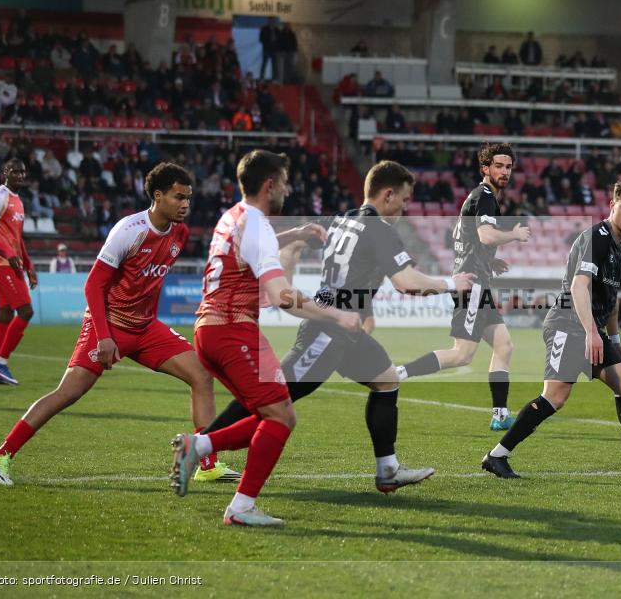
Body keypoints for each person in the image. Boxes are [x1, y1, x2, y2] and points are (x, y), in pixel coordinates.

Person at [199, 160, 474, 498]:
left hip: (347, 331)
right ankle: (199, 448)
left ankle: (388, 470)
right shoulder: (379, 229)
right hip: (328, 330)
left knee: (387, 379)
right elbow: (406, 283)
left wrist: (292, 257)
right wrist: (451, 283)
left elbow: (299, 245)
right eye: (404, 199)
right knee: (274, 397)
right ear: (388, 195)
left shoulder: (341, 219)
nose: (405, 208)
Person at [0, 163, 238, 487]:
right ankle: (1, 454)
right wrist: (104, 337)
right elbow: (93, 285)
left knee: (201, 374)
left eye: (188, 197)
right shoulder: (129, 230)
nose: (185, 204)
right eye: (179, 197)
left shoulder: (180, 233)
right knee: (68, 393)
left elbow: (149, 283)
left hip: (145, 329)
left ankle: (207, 464)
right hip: (109, 325)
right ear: (158, 195)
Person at [169, 150, 362, 526]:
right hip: (233, 330)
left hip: (208, 330)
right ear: (270, 185)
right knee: (282, 416)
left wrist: (296, 234)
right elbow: (283, 297)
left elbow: (254, 242)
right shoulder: (256, 225)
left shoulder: (234, 215)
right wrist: (338, 315)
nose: (288, 191)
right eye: (285, 183)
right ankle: (241, 506)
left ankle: (201, 445)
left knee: (268, 413)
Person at [480, 178, 621, 480]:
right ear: (612, 205)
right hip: (567, 325)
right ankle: (496, 456)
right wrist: (592, 333)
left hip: (590, 328)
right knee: (554, 397)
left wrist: (614, 338)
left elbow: (611, 298)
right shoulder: (598, 237)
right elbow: (578, 286)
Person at [397, 143, 531, 430]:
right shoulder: (485, 196)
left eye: (508, 167)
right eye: (498, 166)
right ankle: (397, 374)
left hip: (478, 281)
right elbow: (486, 236)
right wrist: (514, 234)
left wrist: (490, 261)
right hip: (472, 285)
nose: (504, 171)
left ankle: (499, 415)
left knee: (504, 345)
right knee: (462, 354)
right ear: (485, 168)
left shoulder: (479, 196)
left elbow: (470, 239)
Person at [0, 159, 37, 385]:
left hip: (11, 262)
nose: (20, 176)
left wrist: (29, 265)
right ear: (5, 172)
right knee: (26, 311)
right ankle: (1, 364)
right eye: (15, 172)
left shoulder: (18, 200)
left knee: (6, 315)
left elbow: (17, 238)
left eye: (23, 172)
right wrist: (9, 253)